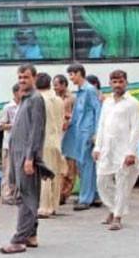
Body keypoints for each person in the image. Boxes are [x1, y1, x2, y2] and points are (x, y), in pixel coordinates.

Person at [0, 64, 47, 255]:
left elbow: (37, 131)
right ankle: (31, 235)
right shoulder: (25, 99)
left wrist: (30, 158)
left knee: (26, 197)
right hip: (17, 155)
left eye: (25, 77)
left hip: (26, 157)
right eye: (20, 78)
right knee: (24, 195)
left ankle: (19, 240)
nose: (22, 81)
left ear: (34, 78)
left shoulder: (35, 99)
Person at [93, 70, 139, 231]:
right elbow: (101, 125)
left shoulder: (133, 103)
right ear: (110, 84)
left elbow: (136, 129)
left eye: (120, 82)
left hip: (124, 151)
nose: (117, 85)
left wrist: (131, 152)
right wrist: (97, 147)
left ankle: (117, 217)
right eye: (114, 82)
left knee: (122, 184)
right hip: (107, 149)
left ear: (126, 83)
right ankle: (113, 208)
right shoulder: (107, 102)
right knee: (102, 182)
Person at [61, 64, 102, 211]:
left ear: (79, 74)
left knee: (85, 166)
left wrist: (96, 133)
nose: (71, 78)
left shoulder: (90, 90)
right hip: (80, 131)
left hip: (87, 132)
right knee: (85, 165)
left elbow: (98, 111)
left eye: (72, 74)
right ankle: (93, 195)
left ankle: (86, 199)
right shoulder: (81, 91)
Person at [36, 73, 66, 218]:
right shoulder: (59, 100)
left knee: (44, 176)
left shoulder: (38, 100)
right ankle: (54, 206)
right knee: (55, 174)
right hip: (56, 141)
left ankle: (44, 207)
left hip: (43, 141)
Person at [53, 74, 76, 206]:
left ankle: (64, 194)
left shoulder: (71, 98)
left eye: (56, 84)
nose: (54, 87)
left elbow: (74, 116)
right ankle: (59, 193)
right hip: (58, 134)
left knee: (69, 167)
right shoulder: (54, 97)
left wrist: (67, 119)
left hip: (69, 134)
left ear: (64, 85)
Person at [0, 84, 21, 205]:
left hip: (22, 144)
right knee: (8, 171)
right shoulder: (8, 107)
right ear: (15, 93)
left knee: (19, 171)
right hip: (9, 144)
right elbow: (1, 126)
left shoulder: (24, 105)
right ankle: (6, 195)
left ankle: (16, 194)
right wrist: (13, 126)